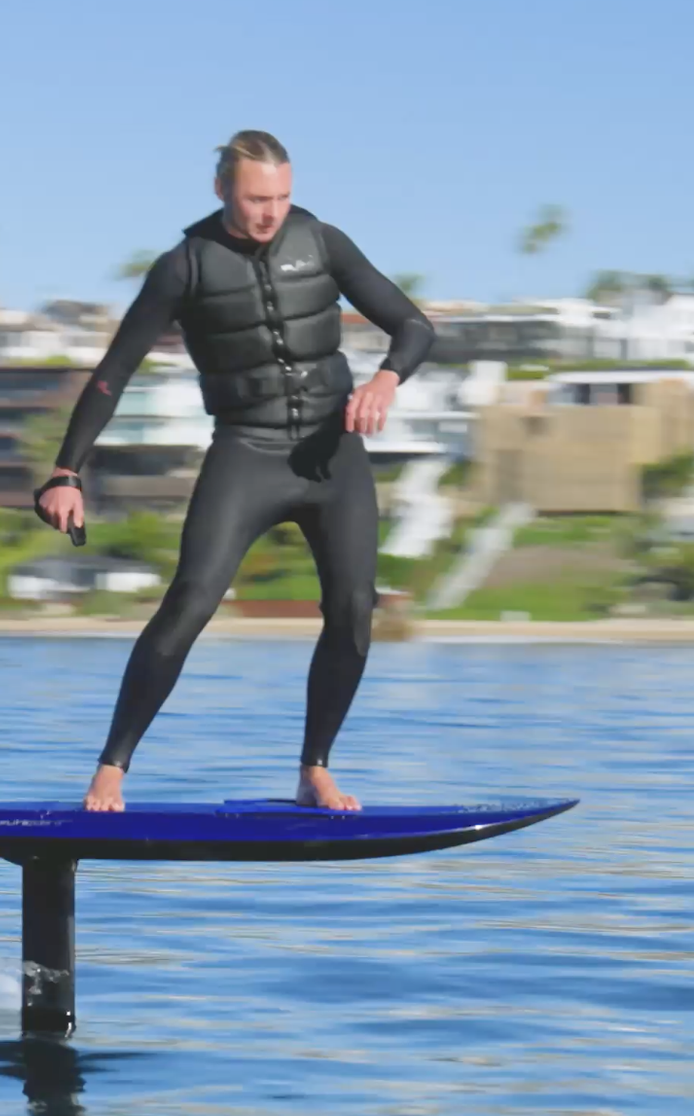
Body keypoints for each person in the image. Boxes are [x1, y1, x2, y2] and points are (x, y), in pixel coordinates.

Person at [35, 130, 433, 813]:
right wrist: (67, 470)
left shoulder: (324, 243)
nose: (270, 212)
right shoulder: (184, 266)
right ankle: (111, 769)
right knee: (190, 600)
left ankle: (314, 770)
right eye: (255, 198)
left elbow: (415, 326)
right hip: (247, 450)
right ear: (222, 189)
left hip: (331, 453)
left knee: (352, 611)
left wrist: (387, 380)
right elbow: (114, 373)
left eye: (281, 196)